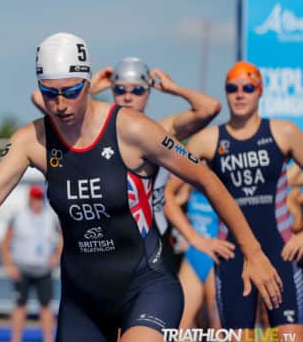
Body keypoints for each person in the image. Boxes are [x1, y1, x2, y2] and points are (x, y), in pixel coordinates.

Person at [0, 32, 282, 342]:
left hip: (147, 285)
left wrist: (254, 252)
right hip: (83, 300)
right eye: (49, 94)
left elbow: (207, 179)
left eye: (70, 92)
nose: (60, 105)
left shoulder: (132, 129)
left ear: (88, 83)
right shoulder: (32, 140)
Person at [169, 61, 303, 342]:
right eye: (232, 88)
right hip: (233, 258)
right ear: (225, 93)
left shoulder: (283, 132)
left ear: (260, 91)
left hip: (278, 253)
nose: (240, 94)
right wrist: (196, 240)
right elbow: (167, 196)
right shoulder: (208, 141)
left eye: (248, 87)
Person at [33, 57, 223, 272]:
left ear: (148, 92)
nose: (128, 97)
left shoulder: (161, 131)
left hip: (155, 237)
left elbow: (210, 107)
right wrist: (87, 90)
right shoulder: (93, 134)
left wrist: (173, 89)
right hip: (109, 241)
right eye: (120, 90)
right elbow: (38, 97)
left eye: (137, 91)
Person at [163, 176, 228, 342]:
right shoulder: (193, 158)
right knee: (179, 326)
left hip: (217, 254)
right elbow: (167, 195)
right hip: (194, 253)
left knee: (219, 334)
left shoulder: (220, 158)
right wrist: (192, 236)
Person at [0, 184, 61, 342]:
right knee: (20, 306)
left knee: (46, 306)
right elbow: (5, 242)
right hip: (22, 268)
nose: (37, 201)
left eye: (40, 198)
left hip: (43, 269)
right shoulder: (19, 216)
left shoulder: (50, 217)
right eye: (35, 198)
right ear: (29, 198)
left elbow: (63, 237)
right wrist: (9, 265)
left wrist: (57, 256)